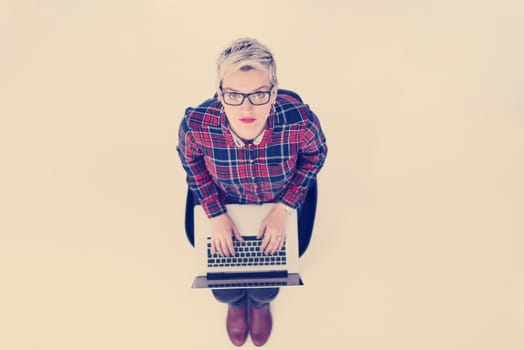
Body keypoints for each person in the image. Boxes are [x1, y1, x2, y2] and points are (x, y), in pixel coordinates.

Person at [177, 38, 328, 347]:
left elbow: (317, 154)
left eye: (259, 94)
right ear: (220, 93)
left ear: (273, 92)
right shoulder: (196, 125)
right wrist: (215, 213)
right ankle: (235, 302)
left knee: (271, 274)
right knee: (221, 276)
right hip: (225, 201)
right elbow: (189, 158)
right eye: (233, 95)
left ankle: (259, 303)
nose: (246, 108)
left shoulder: (299, 120)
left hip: (279, 202)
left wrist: (284, 208)